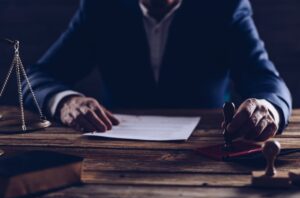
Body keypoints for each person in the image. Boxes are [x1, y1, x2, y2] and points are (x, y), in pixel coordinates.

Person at [23, 0, 292, 141]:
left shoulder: (224, 6)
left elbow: (266, 80)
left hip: (203, 151)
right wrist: (65, 102)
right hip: (111, 148)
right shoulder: (100, 7)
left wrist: (268, 108)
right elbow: (35, 77)